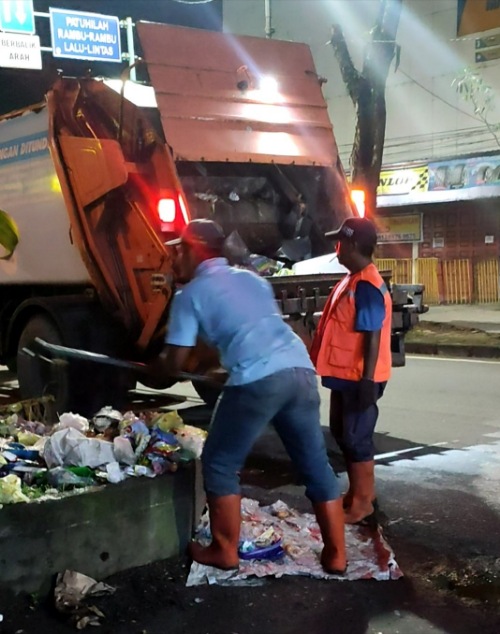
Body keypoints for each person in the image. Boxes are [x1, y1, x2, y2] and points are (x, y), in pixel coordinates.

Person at [151, 219, 346, 574]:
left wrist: (153, 368)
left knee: (219, 462)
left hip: (258, 379)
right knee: (315, 464)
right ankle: (336, 554)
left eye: (177, 250)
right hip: (299, 372)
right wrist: (221, 362)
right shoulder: (253, 280)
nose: (173, 258)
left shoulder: (189, 295)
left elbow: (175, 361)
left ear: (195, 249)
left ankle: (224, 550)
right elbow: (244, 330)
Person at [310, 217, 392, 525]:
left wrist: (368, 381)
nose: (337, 247)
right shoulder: (353, 279)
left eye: (341, 242)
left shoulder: (368, 285)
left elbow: (372, 334)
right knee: (344, 434)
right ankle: (358, 493)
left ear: (354, 246)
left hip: (359, 378)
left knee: (357, 437)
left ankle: (363, 502)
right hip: (345, 376)